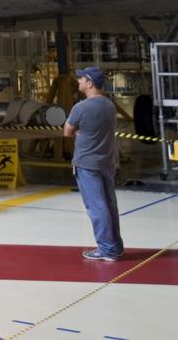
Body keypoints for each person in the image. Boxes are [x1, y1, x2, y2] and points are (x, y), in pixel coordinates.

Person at [63, 66, 123, 262]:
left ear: (89, 83)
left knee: (97, 207)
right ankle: (115, 246)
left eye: (81, 79)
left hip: (87, 164)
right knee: (109, 204)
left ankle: (106, 249)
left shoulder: (80, 108)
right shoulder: (109, 106)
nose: (78, 82)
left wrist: (80, 132)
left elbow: (67, 131)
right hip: (106, 162)